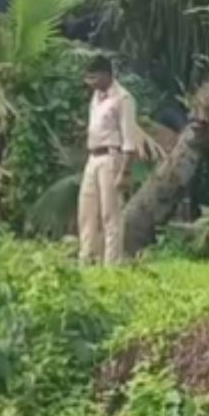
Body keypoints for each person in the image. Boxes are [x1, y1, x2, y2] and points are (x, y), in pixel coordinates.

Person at [79, 55, 139, 266]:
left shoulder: (123, 99)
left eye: (94, 77)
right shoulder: (96, 98)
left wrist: (125, 171)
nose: (91, 83)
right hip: (93, 157)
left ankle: (111, 265)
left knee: (110, 214)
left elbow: (129, 140)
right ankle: (87, 258)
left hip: (111, 157)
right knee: (87, 212)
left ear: (106, 75)